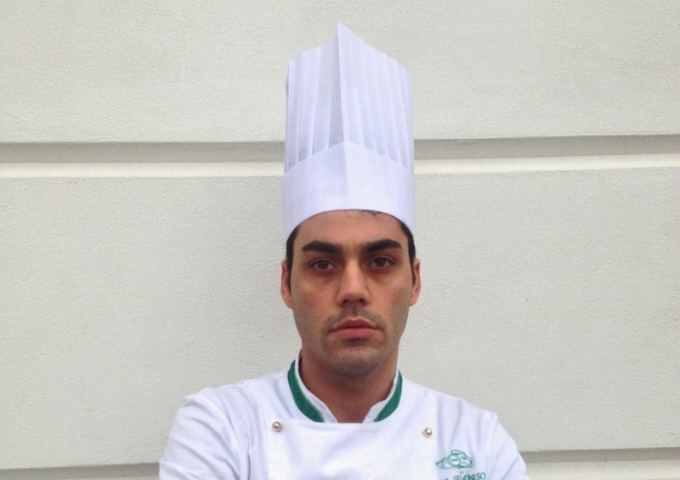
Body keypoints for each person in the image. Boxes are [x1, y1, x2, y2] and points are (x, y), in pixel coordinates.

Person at [160, 23, 529, 479]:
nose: (353, 289)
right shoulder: (222, 427)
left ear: (414, 280)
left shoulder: (476, 440)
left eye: (380, 262)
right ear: (286, 283)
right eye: (323, 264)